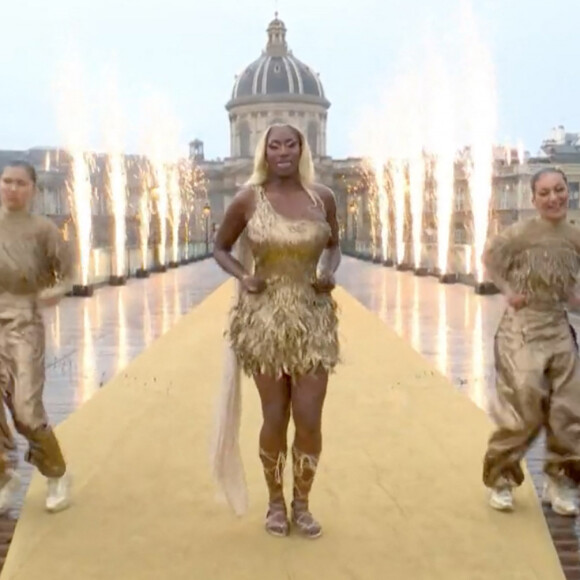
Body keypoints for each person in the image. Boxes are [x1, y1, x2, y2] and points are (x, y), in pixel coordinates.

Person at [211, 124, 340, 538]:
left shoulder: (323, 197)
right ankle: (274, 503)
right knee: (274, 415)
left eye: (291, 144)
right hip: (264, 318)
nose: (283, 151)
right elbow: (220, 246)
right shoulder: (249, 198)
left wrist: (327, 270)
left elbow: (334, 245)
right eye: (274, 145)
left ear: (302, 149)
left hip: (313, 315)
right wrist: (244, 276)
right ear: (263, 151)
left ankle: (301, 503)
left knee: (308, 418)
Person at [482, 167, 580, 516]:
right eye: (545, 193)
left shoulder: (574, 235)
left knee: (569, 409)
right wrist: (508, 291)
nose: (554, 198)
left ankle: (561, 481)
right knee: (523, 405)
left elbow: (569, 282)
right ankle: (501, 479)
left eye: (559, 190)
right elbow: (490, 260)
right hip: (520, 330)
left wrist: (572, 296)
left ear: (567, 191)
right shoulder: (519, 234)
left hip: (557, 327)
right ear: (534, 198)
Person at [0, 160, 72, 513]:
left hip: (25, 324)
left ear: (33, 189)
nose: (12, 188)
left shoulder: (43, 230)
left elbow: (67, 273)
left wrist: (56, 290)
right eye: (6, 181)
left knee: (26, 411)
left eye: (20, 183)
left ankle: (56, 473)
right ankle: (4, 475)